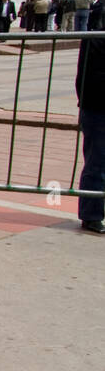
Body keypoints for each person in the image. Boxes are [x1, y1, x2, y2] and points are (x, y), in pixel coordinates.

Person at [76, 35, 105, 234]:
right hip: (98, 108)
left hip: (94, 107)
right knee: (97, 164)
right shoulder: (95, 39)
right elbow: (86, 78)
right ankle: (91, 215)